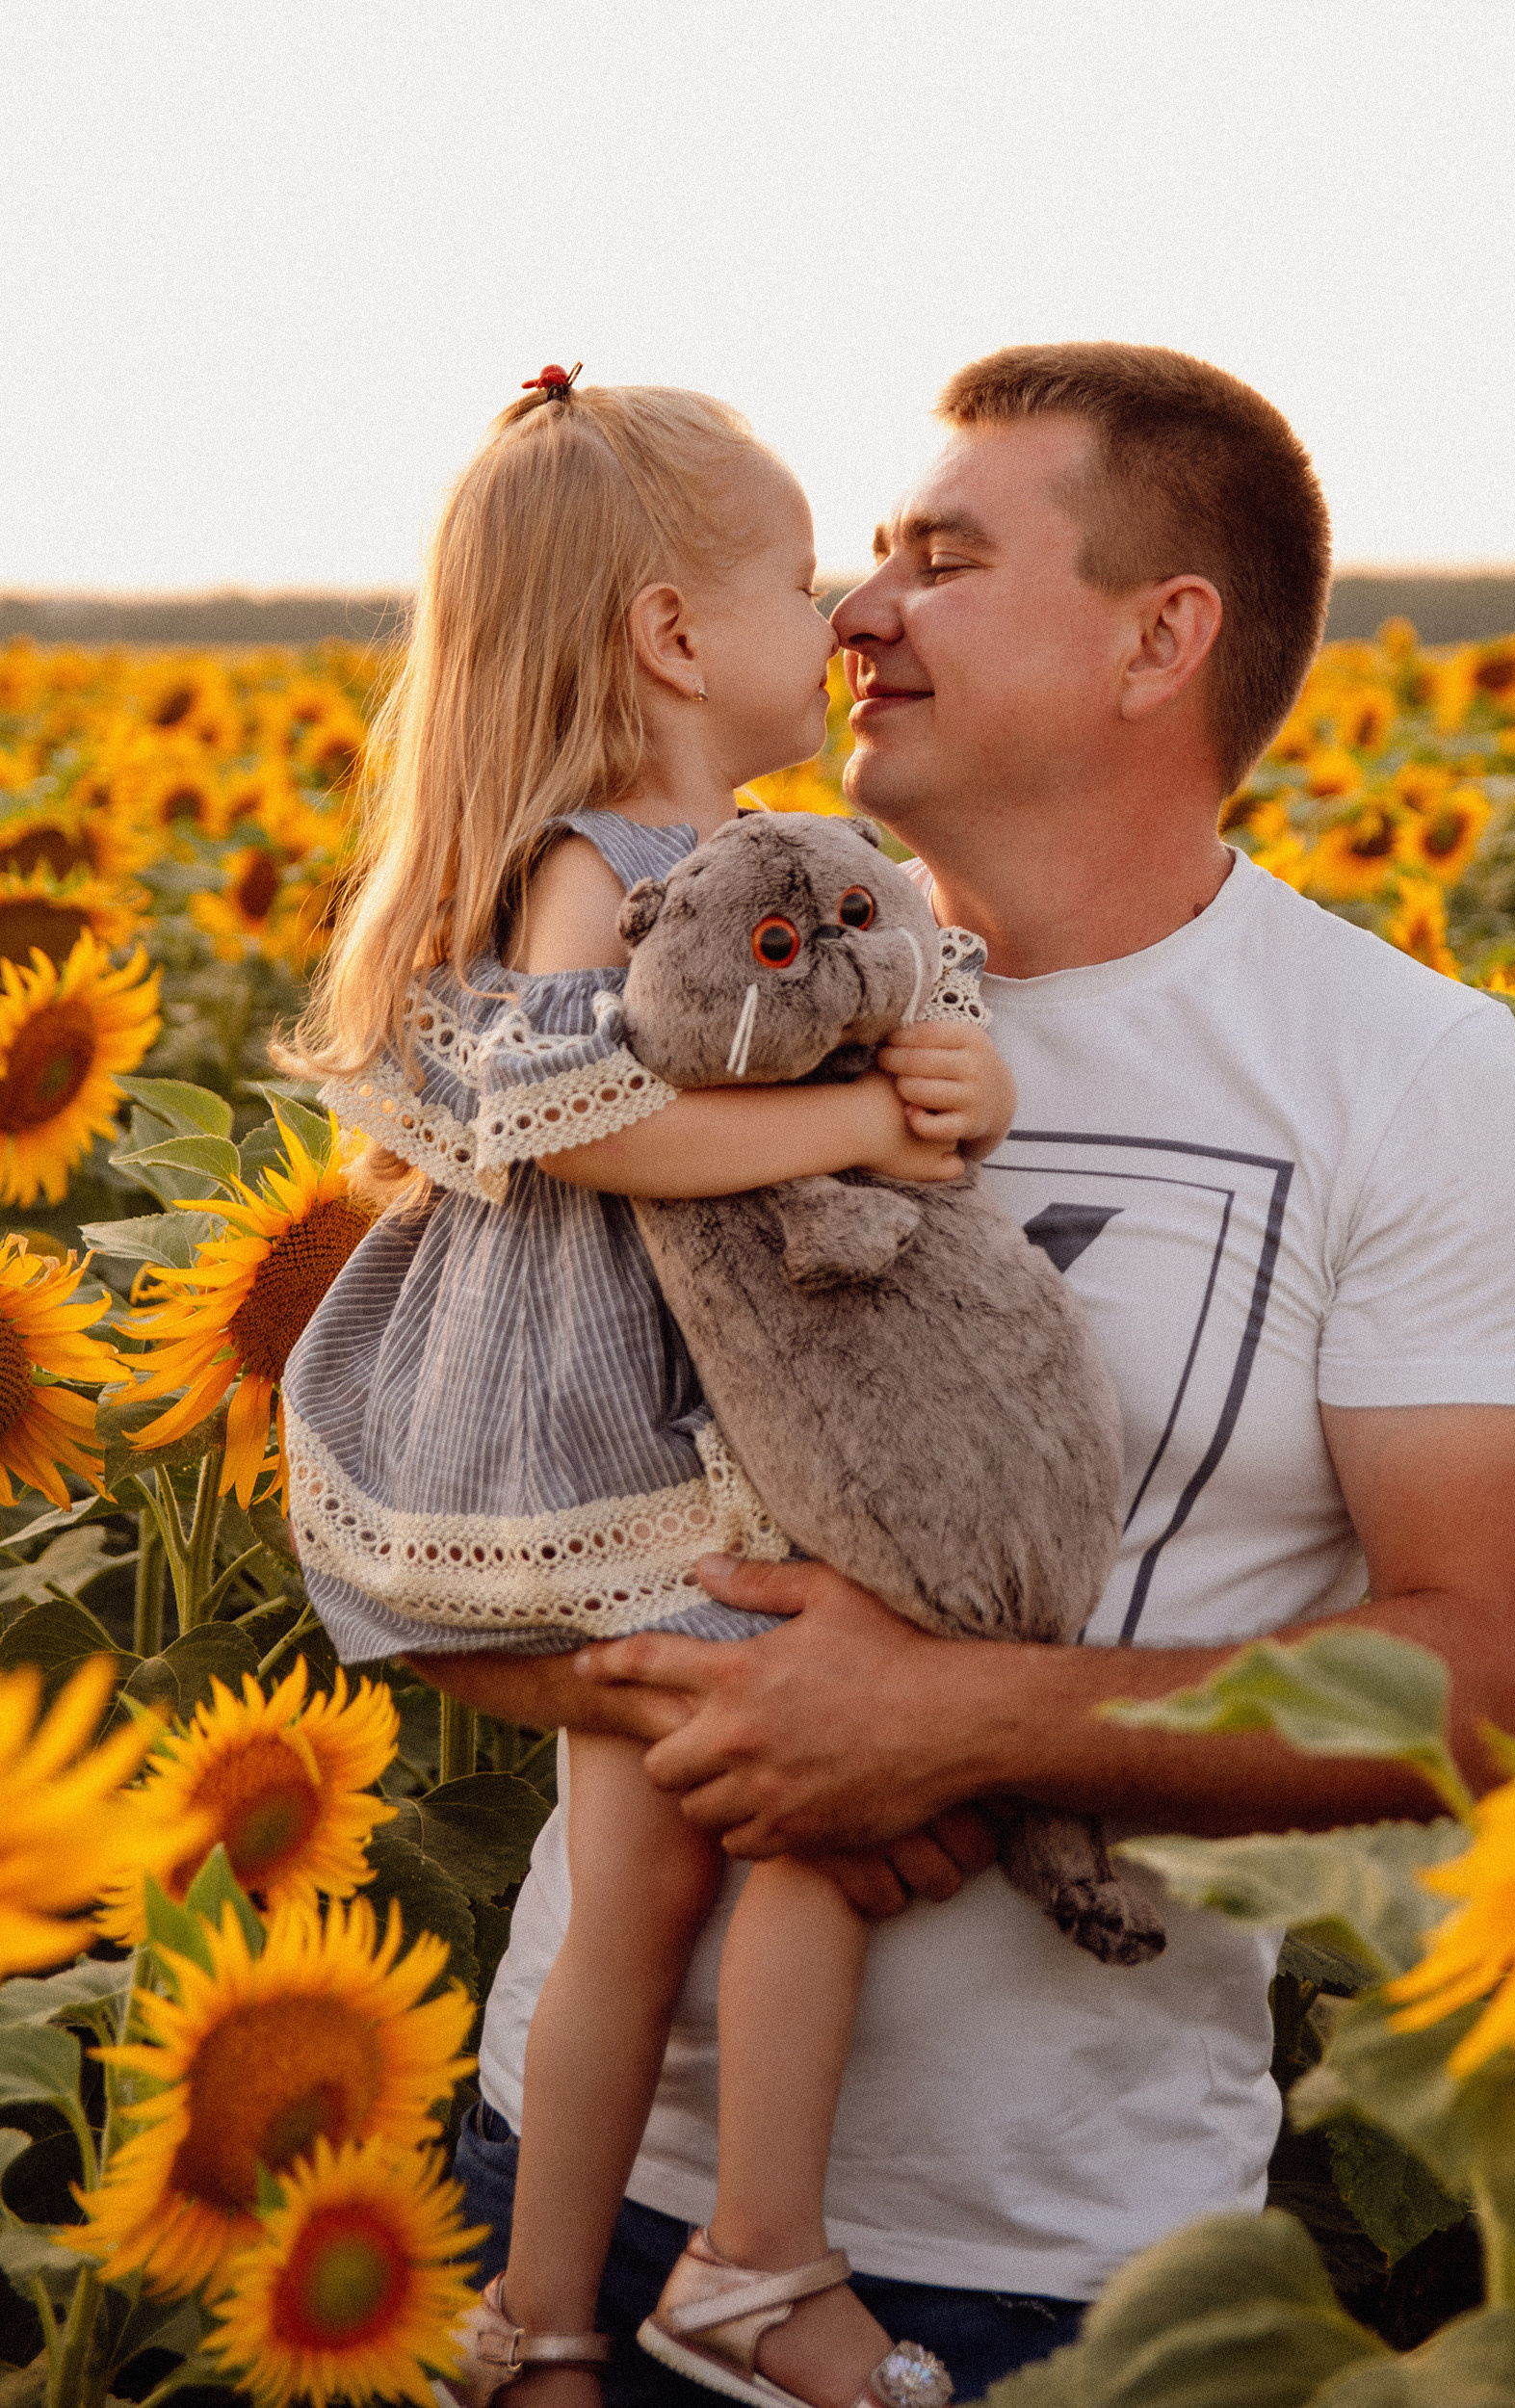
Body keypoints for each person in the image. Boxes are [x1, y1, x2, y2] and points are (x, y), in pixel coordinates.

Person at [416, 343, 1515, 2404]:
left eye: (941, 557)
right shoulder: (697, 967)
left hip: (1042, 2260)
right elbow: (428, 1499)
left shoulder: (1399, 1073)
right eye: (863, 554)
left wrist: (947, 1723)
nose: (863, 605)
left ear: (1162, 637)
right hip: (564, 2178)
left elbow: (1495, 1684)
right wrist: (750, 1715)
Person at [281, 372, 1028, 2408]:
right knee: (704, 1862)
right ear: (677, 637)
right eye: (802, 576)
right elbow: (577, 1122)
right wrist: (861, 1126)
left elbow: (916, 1016)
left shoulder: (801, 847)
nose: (844, 610)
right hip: (619, 1436)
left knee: (720, 1857)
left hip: (761, 1416)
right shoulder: (598, 863)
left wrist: (949, 1083)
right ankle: (671, 2274)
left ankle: (608, 2294)